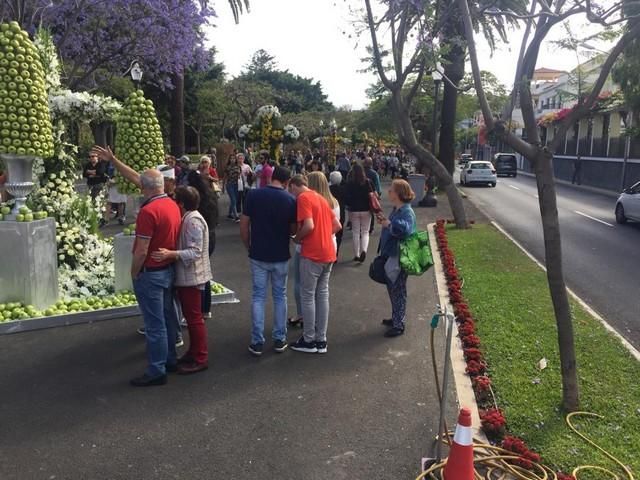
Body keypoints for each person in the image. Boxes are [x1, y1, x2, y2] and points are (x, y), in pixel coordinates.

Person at [150, 186, 212, 375]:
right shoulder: (189, 218)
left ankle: (201, 357)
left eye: (176, 199)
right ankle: (194, 352)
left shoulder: (192, 221)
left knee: (194, 319)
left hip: (192, 277)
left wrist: (172, 254)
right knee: (192, 316)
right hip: (188, 276)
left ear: (182, 203)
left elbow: (195, 251)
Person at [240, 166, 297, 356]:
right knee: (280, 296)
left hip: (258, 252)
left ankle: (257, 340)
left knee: (258, 296)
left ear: (272, 177)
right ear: (287, 181)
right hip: (280, 253)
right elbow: (292, 230)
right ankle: (280, 337)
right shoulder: (290, 200)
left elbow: (244, 224)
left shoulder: (254, 196)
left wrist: (248, 244)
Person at [288, 175, 341, 354]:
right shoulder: (321, 198)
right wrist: (323, 235)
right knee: (322, 294)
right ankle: (321, 339)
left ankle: (309, 339)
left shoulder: (303, 198)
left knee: (307, 295)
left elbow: (308, 225)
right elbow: (337, 225)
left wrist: (298, 238)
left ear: (294, 186)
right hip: (328, 253)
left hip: (312, 253)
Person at [377, 180, 417, 338]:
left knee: (398, 290)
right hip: (392, 254)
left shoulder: (406, 211)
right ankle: (396, 318)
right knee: (393, 288)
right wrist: (386, 222)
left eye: (392, 190)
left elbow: (403, 231)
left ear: (399, 193)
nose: (389, 192)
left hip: (400, 257)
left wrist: (388, 224)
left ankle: (399, 324)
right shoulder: (398, 209)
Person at [345, 164, 372, 263]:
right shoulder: (368, 182)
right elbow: (373, 194)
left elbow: (347, 197)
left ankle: (356, 254)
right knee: (365, 232)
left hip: (354, 209)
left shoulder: (350, 183)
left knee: (355, 232)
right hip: (366, 209)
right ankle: (364, 250)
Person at [329, 171, 346, 256]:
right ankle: (336, 252)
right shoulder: (343, 189)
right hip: (340, 213)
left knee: (329, 233)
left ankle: (330, 251)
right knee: (339, 235)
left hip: (329, 213)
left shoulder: (328, 190)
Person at [364, 157, 381, 235]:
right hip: (372, 194)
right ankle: (371, 227)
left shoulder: (361, 172)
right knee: (371, 210)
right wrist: (378, 193)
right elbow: (377, 185)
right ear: (371, 164)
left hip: (362, 194)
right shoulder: (374, 173)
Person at [224, 155, 241, 222]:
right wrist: (222, 187)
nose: (232, 160)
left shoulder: (238, 166)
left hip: (237, 185)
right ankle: (236, 216)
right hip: (229, 185)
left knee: (234, 200)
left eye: (234, 158)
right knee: (233, 200)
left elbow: (240, 175)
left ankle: (229, 214)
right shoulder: (227, 167)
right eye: (231, 158)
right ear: (229, 160)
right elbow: (225, 177)